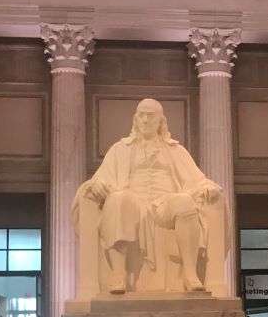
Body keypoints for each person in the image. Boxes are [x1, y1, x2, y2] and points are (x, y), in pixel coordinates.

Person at [75, 98, 222, 293]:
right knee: (117, 199)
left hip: (165, 202)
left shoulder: (175, 150)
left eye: (150, 115)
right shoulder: (120, 149)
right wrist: (96, 185)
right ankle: (118, 275)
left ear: (161, 121)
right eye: (141, 115)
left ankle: (190, 274)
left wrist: (207, 186)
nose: (145, 120)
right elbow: (99, 179)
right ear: (136, 120)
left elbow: (198, 178)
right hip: (132, 201)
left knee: (185, 201)